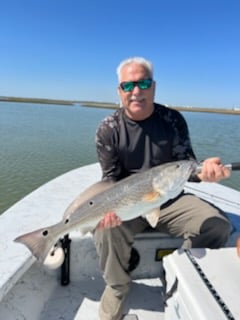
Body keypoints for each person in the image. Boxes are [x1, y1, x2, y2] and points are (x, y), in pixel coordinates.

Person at [93, 56, 231, 320]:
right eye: (128, 85)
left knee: (217, 225)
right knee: (104, 230)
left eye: (143, 83)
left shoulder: (172, 120)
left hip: (169, 200)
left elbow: (188, 168)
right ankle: (118, 286)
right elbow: (110, 180)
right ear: (119, 90)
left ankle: (180, 271)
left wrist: (207, 173)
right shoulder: (108, 129)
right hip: (128, 203)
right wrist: (110, 210)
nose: (136, 91)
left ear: (153, 87)